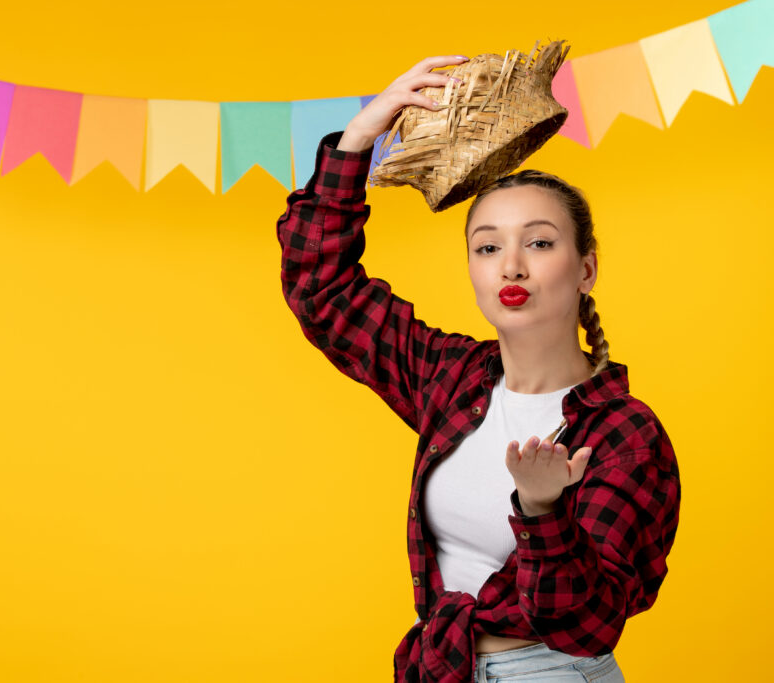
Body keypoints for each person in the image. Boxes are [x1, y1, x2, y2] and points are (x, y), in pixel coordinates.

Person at [275, 55, 681, 683]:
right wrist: (358, 139)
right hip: (447, 668)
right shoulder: (452, 377)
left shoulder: (625, 435)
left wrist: (543, 512)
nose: (511, 266)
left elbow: (590, 624)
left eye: (539, 242)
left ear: (586, 269)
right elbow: (320, 289)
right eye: (488, 246)